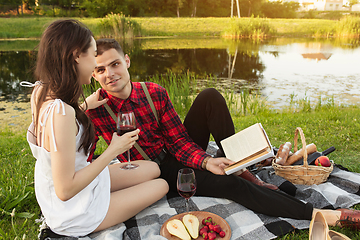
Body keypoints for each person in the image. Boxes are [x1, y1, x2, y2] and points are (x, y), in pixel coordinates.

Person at [86, 38, 360, 230]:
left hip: (175, 151)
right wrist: (83, 110)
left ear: (127, 61)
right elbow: (81, 161)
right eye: (100, 69)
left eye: (115, 64)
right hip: (153, 171)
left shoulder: (154, 91)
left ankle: (240, 168)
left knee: (209, 96)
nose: (110, 74)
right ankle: (319, 214)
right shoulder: (95, 109)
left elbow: (178, 140)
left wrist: (205, 161)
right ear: (93, 74)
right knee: (231, 186)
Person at [25, 20, 168, 238]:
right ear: (76, 55)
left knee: (152, 169)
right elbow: (65, 191)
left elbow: (56, 137)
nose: (95, 66)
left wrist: (84, 106)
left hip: (74, 185)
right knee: (162, 186)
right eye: (93, 55)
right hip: (74, 210)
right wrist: (113, 150)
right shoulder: (62, 113)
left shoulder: (41, 91)